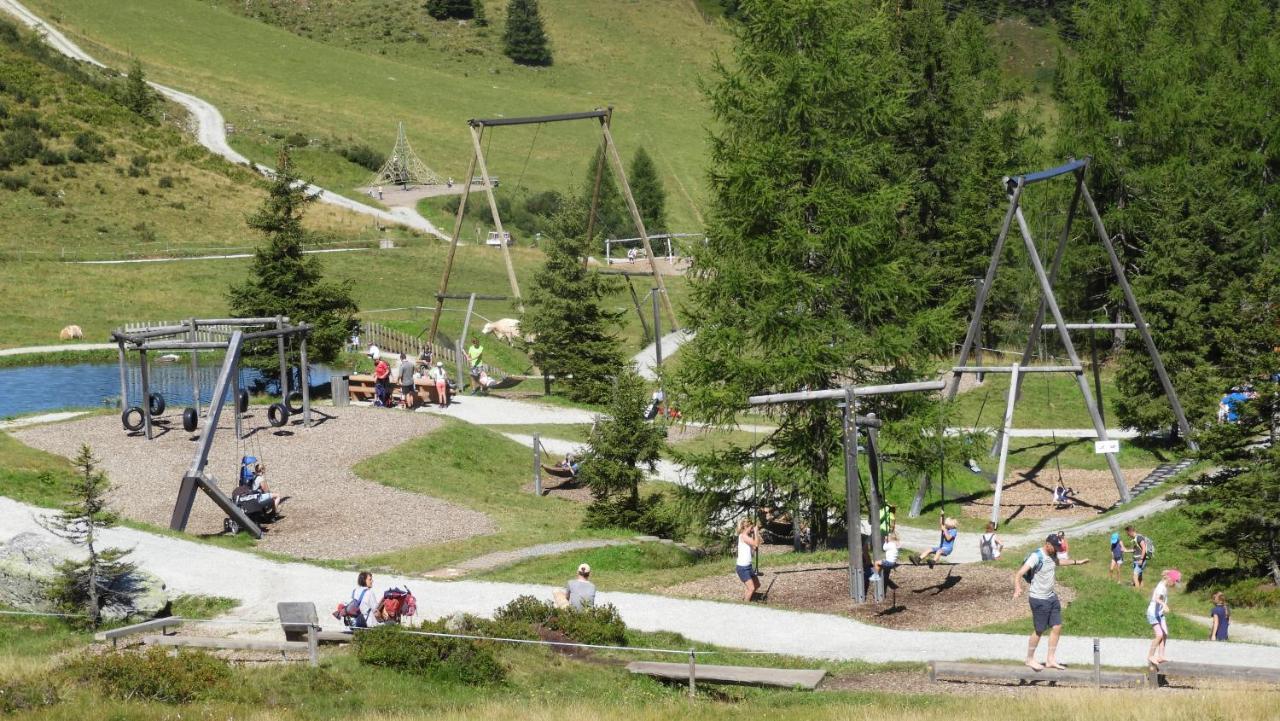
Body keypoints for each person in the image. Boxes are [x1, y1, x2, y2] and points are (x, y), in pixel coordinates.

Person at [1013, 533, 1089, 671]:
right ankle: (1029, 659)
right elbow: (1018, 574)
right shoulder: (1036, 556)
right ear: (1047, 544)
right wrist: (1018, 587)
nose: (1057, 550)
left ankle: (1050, 659)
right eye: (1055, 547)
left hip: (1051, 597)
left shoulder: (1052, 555)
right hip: (1038, 598)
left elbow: (1058, 562)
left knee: (1057, 626)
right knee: (1039, 630)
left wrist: (1078, 562)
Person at [1147, 568, 1181, 666]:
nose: (1174, 585)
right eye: (1174, 582)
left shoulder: (1164, 586)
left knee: (1165, 634)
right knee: (1159, 635)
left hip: (1159, 614)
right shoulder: (1161, 587)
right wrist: (1164, 605)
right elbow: (1157, 598)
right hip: (1153, 614)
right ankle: (1150, 655)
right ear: (1170, 579)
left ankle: (1161, 655)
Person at [735, 518, 762, 602]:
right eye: (751, 528)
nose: (752, 530)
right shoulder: (743, 536)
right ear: (747, 527)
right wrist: (756, 532)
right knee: (751, 588)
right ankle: (746, 605)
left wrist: (755, 540)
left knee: (757, 585)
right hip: (742, 568)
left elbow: (754, 547)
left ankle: (745, 599)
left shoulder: (747, 537)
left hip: (748, 566)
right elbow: (756, 544)